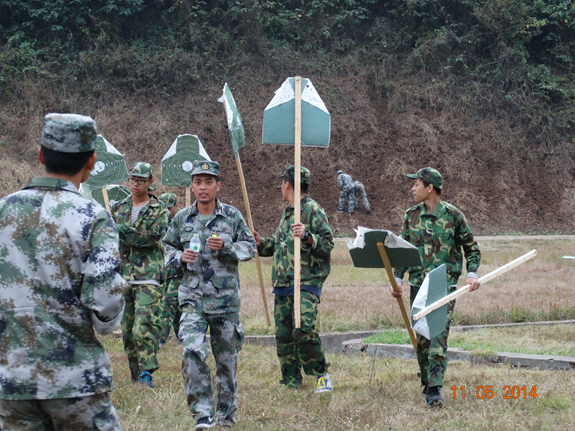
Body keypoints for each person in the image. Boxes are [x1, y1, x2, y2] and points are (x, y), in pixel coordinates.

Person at [0, 113, 127, 430]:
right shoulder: (93, 217)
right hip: (75, 380)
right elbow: (107, 304)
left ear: (41, 155)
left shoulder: (3, 211)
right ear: (92, 162)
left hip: (10, 382)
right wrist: (105, 323)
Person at [163, 160, 255, 429]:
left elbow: (250, 247)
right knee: (192, 351)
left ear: (218, 186)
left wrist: (227, 246)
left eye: (208, 182)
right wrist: (180, 256)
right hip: (192, 299)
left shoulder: (232, 216)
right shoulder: (181, 219)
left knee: (226, 363)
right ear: (192, 186)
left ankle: (225, 416)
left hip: (225, 303)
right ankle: (203, 415)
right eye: (198, 182)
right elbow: (167, 249)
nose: (203, 187)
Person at [391, 167, 481, 407]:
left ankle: (434, 390)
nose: (412, 188)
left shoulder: (453, 215)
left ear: (429, 187)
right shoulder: (411, 216)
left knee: (438, 337)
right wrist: (397, 280)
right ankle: (426, 381)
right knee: (422, 336)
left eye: (416, 184)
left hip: (444, 285)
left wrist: (472, 274)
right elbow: (402, 251)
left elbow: (472, 247)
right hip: (417, 284)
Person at [253, 165, 334, 393]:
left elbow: (327, 244)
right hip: (283, 284)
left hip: (306, 281)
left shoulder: (311, 210)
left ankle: (321, 375)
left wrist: (308, 236)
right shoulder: (288, 213)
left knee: (303, 329)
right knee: (284, 336)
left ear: (287, 184)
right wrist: (261, 244)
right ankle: (291, 381)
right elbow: (280, 248)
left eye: (282, 183)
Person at [110, 162, 170, 388]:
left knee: (142, 327)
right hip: (124, 276)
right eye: (133, 179)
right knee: (127, 331)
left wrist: (123, 232)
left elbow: (152, 238)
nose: (135, 184)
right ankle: (135, 375)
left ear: (150, 183)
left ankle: (146, 374)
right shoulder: (118, 208)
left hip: (148, 275)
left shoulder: (159, 209)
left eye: (141, 180)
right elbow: (110, 238)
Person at [158, 192, 183, 346]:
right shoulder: (160, 224)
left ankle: (161, 339)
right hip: (164, 272)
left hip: (178, 272)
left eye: (169, 208)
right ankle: (181, 335)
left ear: (175, 206)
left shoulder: (182, 224)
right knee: (175, 305)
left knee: (169, 302)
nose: (166, 211)